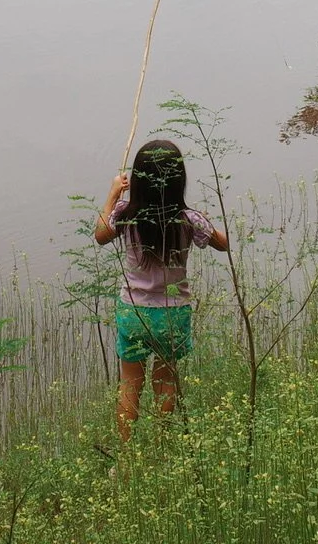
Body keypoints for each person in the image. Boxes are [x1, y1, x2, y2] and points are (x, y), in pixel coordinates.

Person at [94, 138, 229, 439]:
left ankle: (127, 456)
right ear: (179, 180)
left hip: (134, 313)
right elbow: (224, 244)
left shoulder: (125, 214)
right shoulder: (189, 219)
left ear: (138, 181)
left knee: (130, 384)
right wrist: (204, 219)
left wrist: (113, 193)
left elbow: (101, 235)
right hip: (172, 314)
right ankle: (161, 446)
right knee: (165, 381)